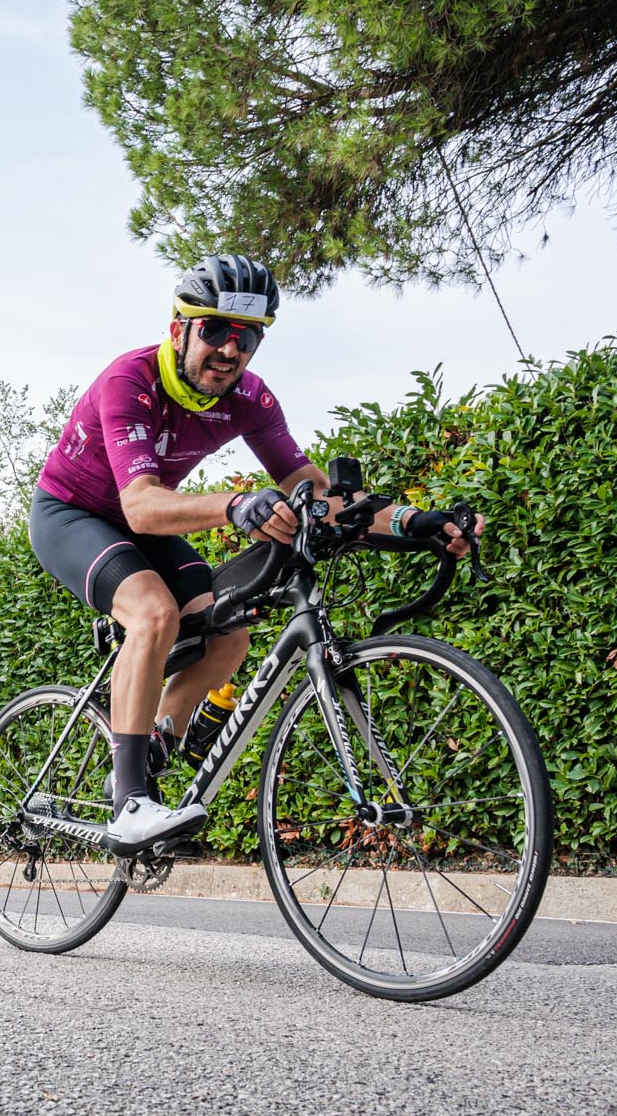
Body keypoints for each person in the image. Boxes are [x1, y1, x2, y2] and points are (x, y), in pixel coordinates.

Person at [30, 254, 481, 849]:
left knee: (230, 636)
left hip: (146, 525)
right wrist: (238, 504)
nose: (229, 349)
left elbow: (317, 493)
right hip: (73, 515)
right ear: (179, 330)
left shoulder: (250, 398)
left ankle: (153, 746)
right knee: (153, 613)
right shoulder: (130, 381)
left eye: (247, 337)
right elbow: (139, 506)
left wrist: (416, 522)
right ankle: (129, 802)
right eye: (215, 329)